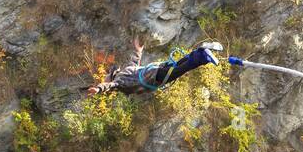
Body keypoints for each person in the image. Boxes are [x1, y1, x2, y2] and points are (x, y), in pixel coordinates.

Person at [88, 38, 224, 96]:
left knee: (182, 68)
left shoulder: (119, 81)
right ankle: (201, 50)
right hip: (155, 70)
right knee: (180, 64)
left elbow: (109, 85)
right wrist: (139, 51)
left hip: (154, 78)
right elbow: (134, 62)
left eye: (105, 78)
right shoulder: (122, 76)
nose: (104, 78)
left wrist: (99, 89)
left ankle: (204, 56)